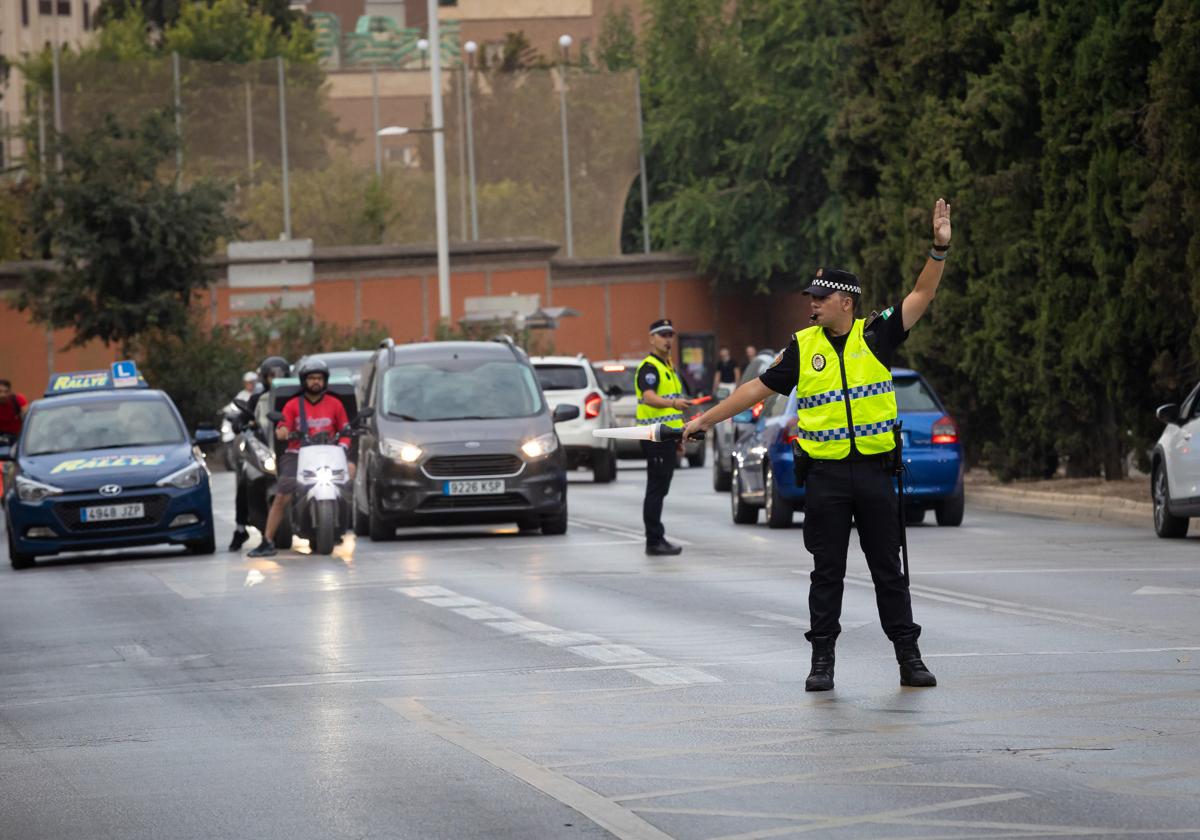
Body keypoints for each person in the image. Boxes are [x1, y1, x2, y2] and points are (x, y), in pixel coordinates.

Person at [685, 198, 953, 691]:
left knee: (888, 573)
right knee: (826, 574)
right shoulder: (801, 348)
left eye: (820, 298)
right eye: (811, 297)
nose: (812, 304)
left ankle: (909, 658)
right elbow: (753, 390)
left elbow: (921, 294)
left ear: (845, 301)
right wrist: (706, 418)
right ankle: (822, 662)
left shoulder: (876, 335)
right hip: (826, 478)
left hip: (875, 472)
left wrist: (938, 249)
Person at [248, 358, 350, 558]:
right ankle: (267, 541)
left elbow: (346, 429)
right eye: (311, 378)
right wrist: (284, 431)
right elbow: (281, 427)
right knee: (282, 493)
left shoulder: (335, 404)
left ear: (325, 381)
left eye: (319, 378)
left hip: (329, 454)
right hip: (296, 454)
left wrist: (345, 445)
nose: (315, 382)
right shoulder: (294, 405)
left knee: (347, 485)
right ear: (304, 381)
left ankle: (338, 529)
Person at [637, 318, 693, 556]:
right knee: (656, 489)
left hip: (666, 437)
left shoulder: (668, 366)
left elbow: (672, 412)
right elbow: (649, 397)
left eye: (670, 334)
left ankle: (656, 537)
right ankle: (654, 540)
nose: (668, 339)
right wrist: (673, 402)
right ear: (652, 338)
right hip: (654, 437)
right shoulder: (650, 367)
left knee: (661, 488)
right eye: (662, 335)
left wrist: (678, 438)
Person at [229, 356, 288, 551]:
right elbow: (244, 417)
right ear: (264, 377)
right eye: (272, 375)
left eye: (280, 374)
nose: (276, 379)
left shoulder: (293, 395)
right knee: (245, 478)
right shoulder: (257, 398)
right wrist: (240, 422)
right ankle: (240, 528)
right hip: (264, 448)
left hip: (290, 448)